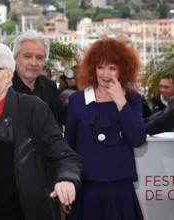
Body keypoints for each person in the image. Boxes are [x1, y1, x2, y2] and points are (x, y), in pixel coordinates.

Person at [0, 42, 82, 220]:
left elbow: (66, 156)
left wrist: (66, 179)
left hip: (29, 213)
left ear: (8, 74)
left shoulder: (33, 108)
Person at [64, 38, 146, 220]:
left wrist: (120, 101)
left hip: (120, 190)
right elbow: (68, 149)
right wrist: (67, 185)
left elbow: (138, 139)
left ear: (123, 69)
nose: (105, 74)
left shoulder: (131, 99)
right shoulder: (78, 100)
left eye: (112, 67)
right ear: (93, 68)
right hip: (86, 189)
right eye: (100, 67)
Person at [12, 30, 67, 126]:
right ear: (16, 58)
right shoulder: (4, 88)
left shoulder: (49, 86)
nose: (34, 63)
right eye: (27, 56)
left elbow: (65, 115)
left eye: (39, 58)